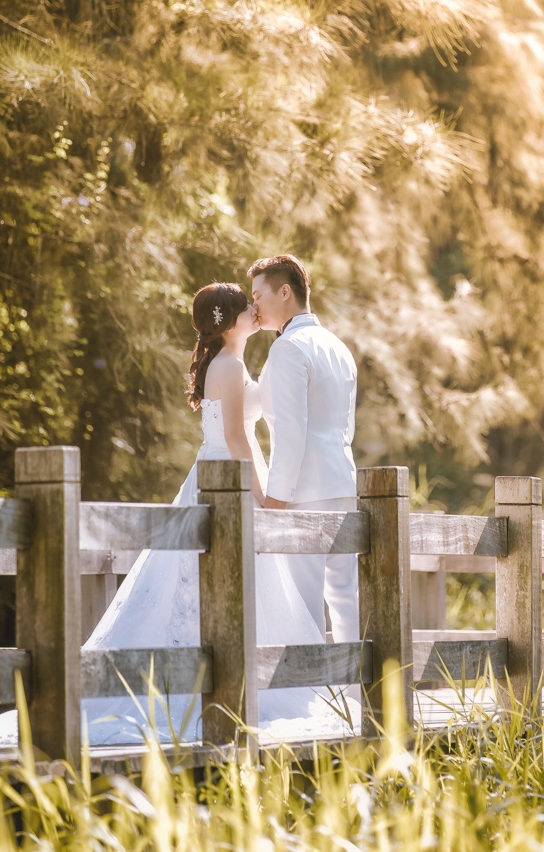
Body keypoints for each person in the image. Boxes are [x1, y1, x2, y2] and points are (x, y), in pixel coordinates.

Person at [0, 282, 357, 749]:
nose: (255, 309)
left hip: (233, 475)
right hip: (228, 478)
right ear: (229, 321)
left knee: (243, 582)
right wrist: (264, 494)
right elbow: (235, 437)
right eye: (246, 307)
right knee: (207, 579)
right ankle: (208, 684)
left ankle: (240, 678)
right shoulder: (228, 365)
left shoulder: (233, 361)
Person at [248, 255, 360, 646]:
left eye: (258, 295)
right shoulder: (338, 346)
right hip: (343, 484)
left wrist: (277, 500)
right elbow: (346, 426)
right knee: (346, 598)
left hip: (304, 495)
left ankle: (315, 700)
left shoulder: (288, 349)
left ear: (285, 291)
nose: (254, 306)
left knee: (305, 602)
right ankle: (358, 696)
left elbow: (291, 435)